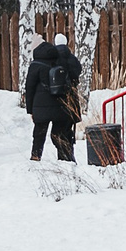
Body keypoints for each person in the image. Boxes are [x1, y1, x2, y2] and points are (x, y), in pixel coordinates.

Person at [24, 31, 82, 162]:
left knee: (39, 133)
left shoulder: (36, 64)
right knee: (59, 134)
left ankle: (36, 156)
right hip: (61, 103)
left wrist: (30, 109)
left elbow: (30, 87)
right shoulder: (59, 60)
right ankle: (65, 159)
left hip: (41, 105)